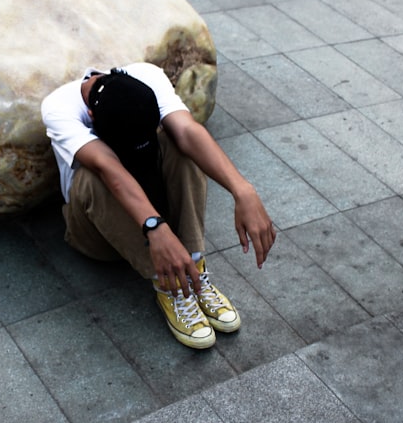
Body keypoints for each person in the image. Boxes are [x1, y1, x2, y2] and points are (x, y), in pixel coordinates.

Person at [41, 62, 276, 349]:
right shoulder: (59, 107)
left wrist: (243, 190)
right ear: (91, 115)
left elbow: (188, 130)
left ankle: (192, 267)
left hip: (158, 212)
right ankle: (172, 285)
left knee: (178, 143)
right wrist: (155, 227)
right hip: (98, 232)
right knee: (93, 174)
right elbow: (108, 168)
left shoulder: (147, 75)